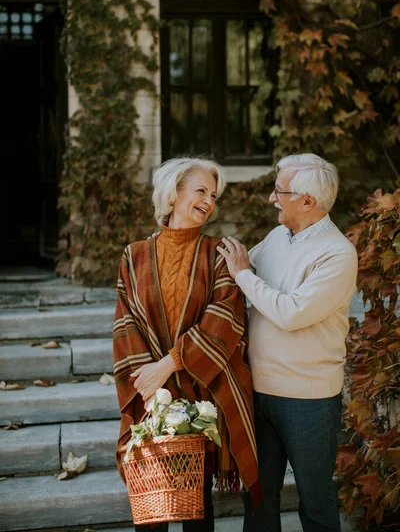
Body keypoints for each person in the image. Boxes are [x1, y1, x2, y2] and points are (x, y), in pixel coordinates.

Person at [112, 156, 260, 532]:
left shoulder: (219, 254)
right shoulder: (134, 256)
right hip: (150, 392)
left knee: (198, 506)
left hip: (201, 391)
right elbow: (125, 323)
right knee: (150, 502)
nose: (209, 201)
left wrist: (171, 364)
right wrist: (152, 379)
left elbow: (226, 319)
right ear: (173, 193)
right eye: (200, 191)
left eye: (214, 195)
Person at [216, 153, 358, 532]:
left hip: (308, 400)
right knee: (259, 498)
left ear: (307, 201)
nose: (271, 198)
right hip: (257, 392)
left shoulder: (338, 254)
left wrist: (244, 274)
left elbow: (291, 312)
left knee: (315, 502)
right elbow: (236, 271)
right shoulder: (280, 236)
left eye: (279, 191)